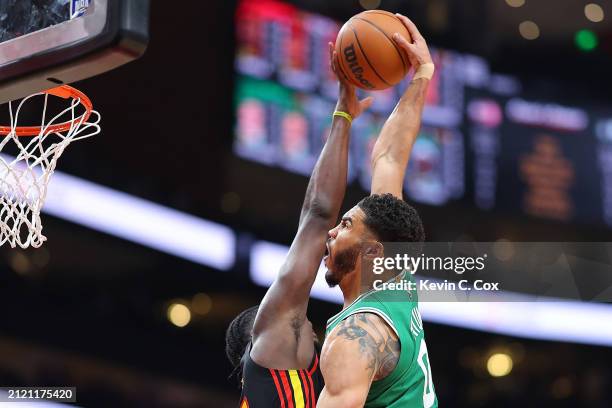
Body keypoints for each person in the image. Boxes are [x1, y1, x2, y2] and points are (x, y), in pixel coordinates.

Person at [225, 43, 373, 407]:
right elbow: (317, 218)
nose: (312, 328)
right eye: (305, 323)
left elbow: (318, 217)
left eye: (305, 322)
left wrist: (344, 114)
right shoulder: (278, 358)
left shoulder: (276, 344)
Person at [316, 15, 438, 408]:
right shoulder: (396, 282)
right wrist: (421, 74)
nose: (332, 231)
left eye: (346, 224)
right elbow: (388, 157)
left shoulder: (358, 333)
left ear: (372, 253)